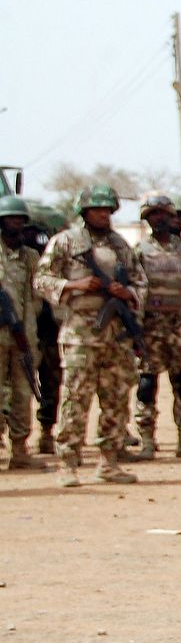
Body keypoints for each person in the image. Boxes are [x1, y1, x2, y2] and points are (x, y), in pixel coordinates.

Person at [34, 184, 148, 487]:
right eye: (97, 209)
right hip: (80, 334)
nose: (103, 214)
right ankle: (68, 463)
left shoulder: (121, 245)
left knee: (116, 399)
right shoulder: (66, 242)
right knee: (75, 398)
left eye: (107, 210)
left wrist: (129, 293)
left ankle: (109, 461)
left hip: (116, 335)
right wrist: (74, 285)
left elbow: (141, 282)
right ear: (84, 212)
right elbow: (41, 279)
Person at [131, 192, 181, 462]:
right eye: (154, 215)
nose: (160, 220)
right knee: (147, 383)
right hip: (151, 326)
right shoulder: (138, 251)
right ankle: (147, 439)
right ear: (147, 219)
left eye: (165, 215)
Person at [0, 194, 40, 469]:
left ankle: (20, 448)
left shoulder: (31, 257)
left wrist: (25, 328)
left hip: (23, 336)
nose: (15, 223)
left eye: (19, 219)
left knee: (23, 392)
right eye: (10, 219)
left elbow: (36, 295)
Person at [24, 202, 64, 454]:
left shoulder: (51, 246)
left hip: (48, 327)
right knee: (13, 385)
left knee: (51, 381)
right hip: (20, 327)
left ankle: (47, 433)